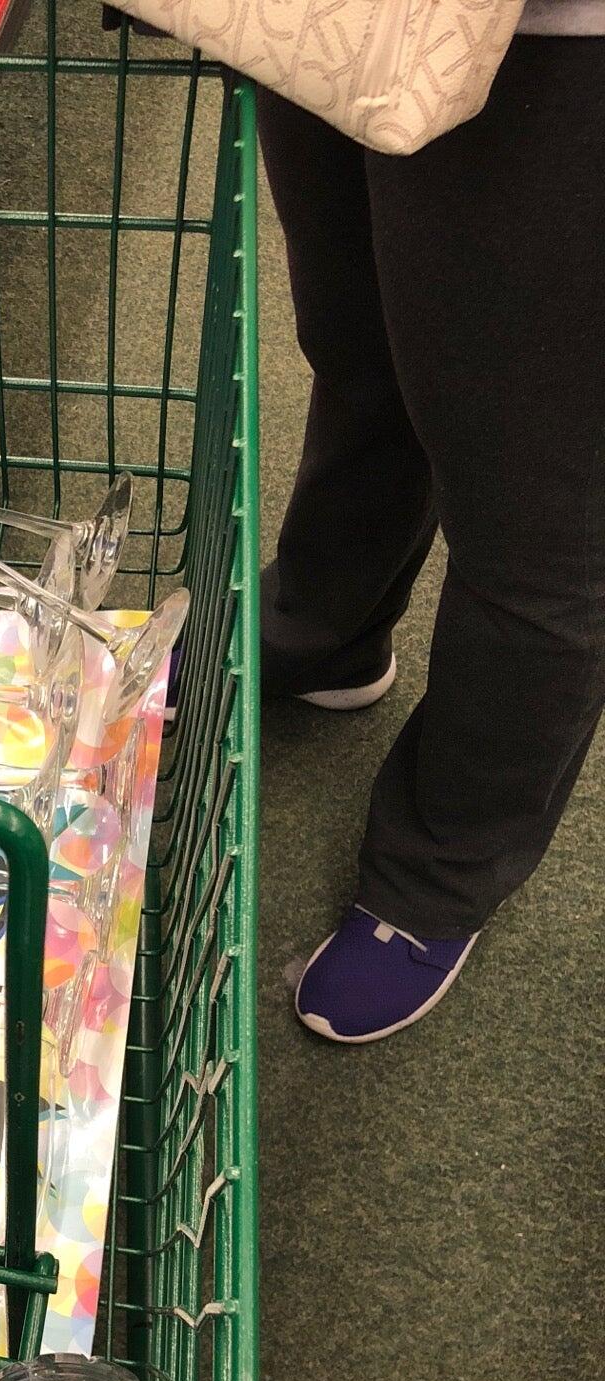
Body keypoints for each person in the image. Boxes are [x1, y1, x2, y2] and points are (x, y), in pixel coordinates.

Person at [257, 11, 605, 1042]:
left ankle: (441, 867)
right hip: (344, 13)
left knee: (540, 497)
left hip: (563, 36)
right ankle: (325, 633)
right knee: (364, 356)